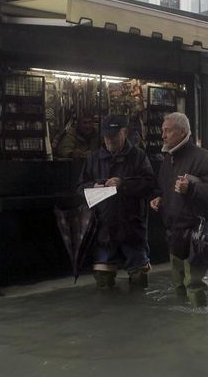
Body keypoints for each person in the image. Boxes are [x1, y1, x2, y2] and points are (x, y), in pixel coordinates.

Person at [149, 112, 208, 307]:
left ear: (182, 131)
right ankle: (184, 329)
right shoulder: (168, 159)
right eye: (162, 131)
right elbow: (165, 188)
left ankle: (199, 329)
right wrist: (159, 198)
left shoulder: (203, 157)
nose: (163, 136)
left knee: (193, 283)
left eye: (168, 131)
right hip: (174, 232)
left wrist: (192, 187)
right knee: (178, 283)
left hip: (196, 233)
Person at [77, 115, 155, 289]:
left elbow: (149, 184)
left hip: (132, 227)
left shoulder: (138, 156)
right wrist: (92, 187)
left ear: (124, 132)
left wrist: (123, 184)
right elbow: (79, 187)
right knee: (103, 281)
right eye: (106, 136)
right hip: (103, 228)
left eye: (113, 135)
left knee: (138, 279)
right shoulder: (93, 158)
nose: (109, 139)